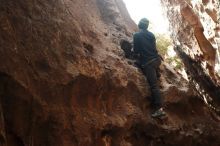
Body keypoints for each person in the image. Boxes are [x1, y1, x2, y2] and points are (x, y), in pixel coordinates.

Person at [133, 18, 166, 118]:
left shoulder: (137, 35)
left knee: (154, 86)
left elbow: (136, 51)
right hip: (157, 60)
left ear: (139, 25)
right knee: (151, 70)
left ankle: (159, 110)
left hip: (149, 63)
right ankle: (157, 73)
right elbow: (153, 48)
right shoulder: (151, 34)